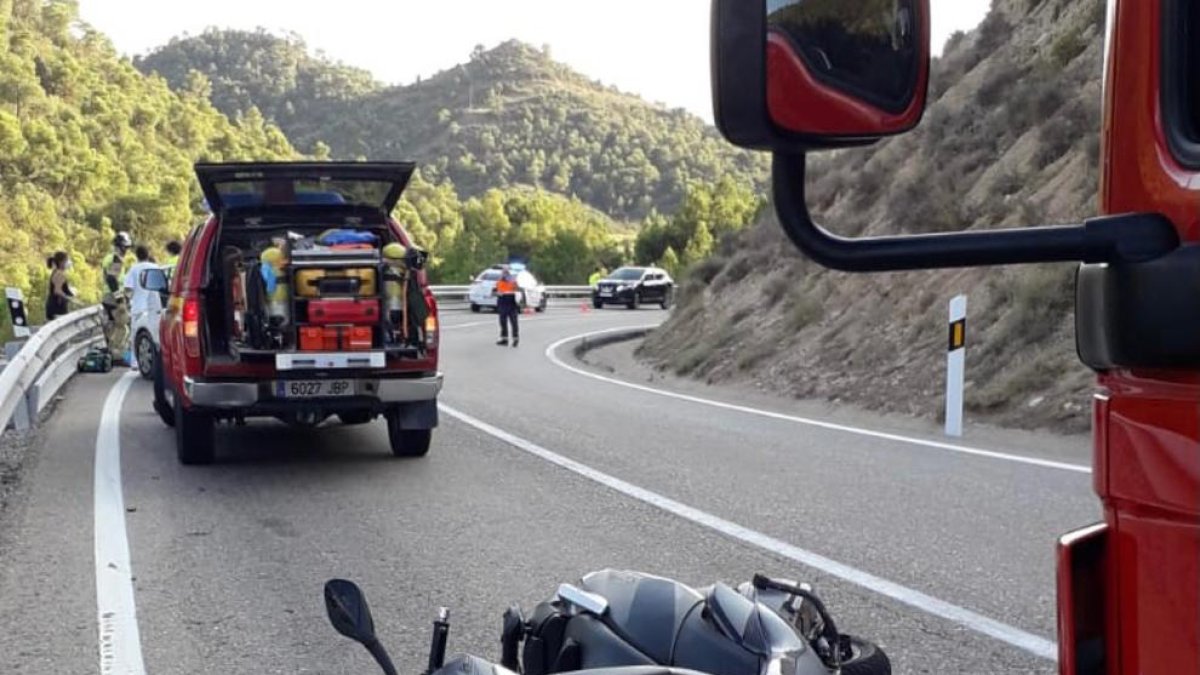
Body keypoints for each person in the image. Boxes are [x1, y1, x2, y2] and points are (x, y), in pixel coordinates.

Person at [45, 252, 76, 321]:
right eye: (66, 260)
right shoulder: (59, 274)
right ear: (61, 262)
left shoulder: (56, 272)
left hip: (55, 307)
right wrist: (68, 297)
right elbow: (57, 290)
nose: (68, 262)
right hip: (57, 308)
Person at [494, 264, 520, 347]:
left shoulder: (512, 281)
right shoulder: (501, 281)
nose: (504, 273)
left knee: (510, 322)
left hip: (508, 302)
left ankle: (513, 339)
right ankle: (507, 339)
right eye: (503, 271)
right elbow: (494, 291)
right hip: (505, 302)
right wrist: (497, 293)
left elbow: (517, 290)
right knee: (505, 322)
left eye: (505, 271)